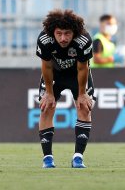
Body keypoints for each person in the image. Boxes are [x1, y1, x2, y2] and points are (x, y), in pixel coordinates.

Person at [35, 9, 95, 168]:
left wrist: (82, 94)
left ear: (74, 32)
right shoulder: (45, 39)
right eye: (59, 33)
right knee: (46, 107)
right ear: (52, 32)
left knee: (84, 107)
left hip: (77, 74)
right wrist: (48, 93)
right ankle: (47, 158)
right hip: (54, 74)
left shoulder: (83, 40)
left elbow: (83, 68)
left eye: (67, 33)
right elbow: (46, 66)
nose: (63, 38)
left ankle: (78, 157)